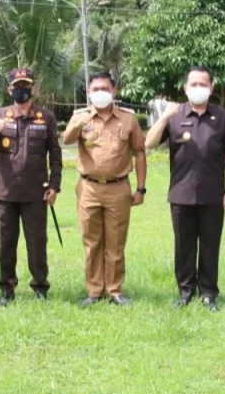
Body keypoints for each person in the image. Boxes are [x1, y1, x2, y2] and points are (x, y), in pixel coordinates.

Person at [145, 66, 225, 312]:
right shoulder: (175, 115)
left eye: (203, 84)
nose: (199, 88)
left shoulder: (221, 117)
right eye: (194, 84)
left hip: (212, 194)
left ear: (211, 88)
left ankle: (208, 293)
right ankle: (185, 291)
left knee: (210, 245)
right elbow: (149, 143)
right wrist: (165, 116)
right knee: (184, 245)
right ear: (185, 88)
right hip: (181, 193)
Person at [63, 71, 147, 307]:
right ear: (88, 93)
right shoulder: (81, 117)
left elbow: (140, 152)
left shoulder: (127, 119)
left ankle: (115, 289)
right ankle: (94, 290)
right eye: (95, 89)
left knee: (116, 241)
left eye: (104, 89)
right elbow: (67, 139)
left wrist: (141, 189)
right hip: (88, 187)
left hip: (118, 188)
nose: (100, 93)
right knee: (92, 241)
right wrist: (79, 122)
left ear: (114, 91)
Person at [0, 68, 62, 306]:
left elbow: (55, 156)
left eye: (25, 85)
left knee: (37, 242)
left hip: (36, 193)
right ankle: (7, 289)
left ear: (33, 88)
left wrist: (54, 186)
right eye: (17, 85)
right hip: (6, 194)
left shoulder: (45, 117)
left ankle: (40, 287)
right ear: (9, 90)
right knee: (6, 242)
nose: (21, 90)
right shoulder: (0, 114)